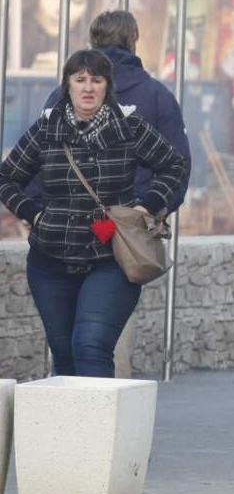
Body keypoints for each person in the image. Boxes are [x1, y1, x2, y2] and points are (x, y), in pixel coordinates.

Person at [2, 50, 190, 376]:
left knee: (91, 345)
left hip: (110, 257)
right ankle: (71, 428)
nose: (88, 88)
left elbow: (174, 166)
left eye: (96, 80)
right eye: (80, 79)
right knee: (64, 355)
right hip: (51, 260)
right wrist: (34, 213)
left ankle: (98, 426)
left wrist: (146, 205)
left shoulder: (129, 127)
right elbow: (7, 177)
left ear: (107, 86)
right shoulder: (47, 130)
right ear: (68, 85)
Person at [40, 10, 189, 208]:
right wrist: (149, 209)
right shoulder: (159, 96)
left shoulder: (63, 95)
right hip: (130, 222)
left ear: (92, 42)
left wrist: (37, 213)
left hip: (68, 222)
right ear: (132, 42)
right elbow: (178, 165)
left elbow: (36, 160)